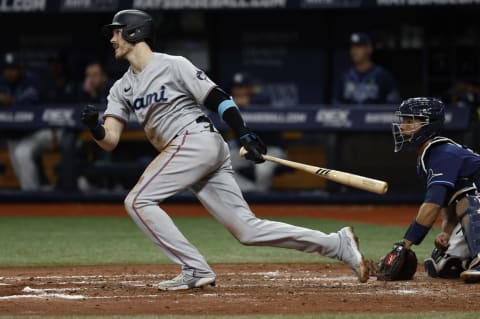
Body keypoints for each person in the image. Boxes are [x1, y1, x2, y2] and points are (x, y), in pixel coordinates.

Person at [80, 9, 369, 290]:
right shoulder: (121, 88)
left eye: (117, 33)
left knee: (138, 201)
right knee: (247, 229)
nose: (112, 40)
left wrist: (243, 133)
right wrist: (95, 127)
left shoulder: (172, 64)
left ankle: (194, 269)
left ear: (134, 32)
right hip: (188, 149)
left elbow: (218, 97)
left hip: (196, 139)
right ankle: (336, 244)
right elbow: (110, 140)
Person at [384, 97, 480, 283]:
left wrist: (406, 243)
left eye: (411, 121)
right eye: (403, 120)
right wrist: (447, 231)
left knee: (470, 200)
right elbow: (447, 203)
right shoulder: (429, 155)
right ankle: (468, 259)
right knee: (443, 264)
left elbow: (433, 204)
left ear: (429, 125)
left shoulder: (442, 153)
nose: (403, 126)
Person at [0, 51, 62, 191]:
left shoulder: (32, 81)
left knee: (22, 153)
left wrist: (9, 101)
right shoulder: (2, 82)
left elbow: (24, 106)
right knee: (22, 173)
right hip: (14, 136)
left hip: (38, 131)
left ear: (21, 69)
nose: (10, 73)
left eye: (13, 69)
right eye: (7, 69)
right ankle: (36, 194)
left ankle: (32, 197)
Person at [224, 72, 286, 192]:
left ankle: (262, 198)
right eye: (235, 87)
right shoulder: (229, 104)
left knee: (262, 170)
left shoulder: (262, 99)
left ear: (250, 88)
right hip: (245, 149)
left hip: (271, 148)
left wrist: (234, 102)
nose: (237, 90)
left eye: (241, 87)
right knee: (222, 163)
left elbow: (261, 100)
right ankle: (253, 192)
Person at [333, 32, 400, 105]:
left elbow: (393, 105)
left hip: (374, 116)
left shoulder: (382, 76)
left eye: (359, 46)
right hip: (351, 116)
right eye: (352, 47)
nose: (354, 51)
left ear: (369, 49)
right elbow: (336, 105)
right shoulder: (344, 77)